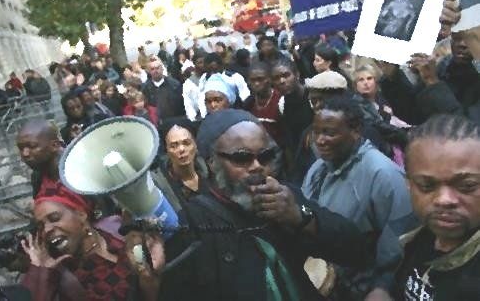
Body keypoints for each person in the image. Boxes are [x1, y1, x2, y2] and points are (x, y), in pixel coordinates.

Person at [159, 108, 374, 301]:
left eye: (266, 156)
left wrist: (300, 216)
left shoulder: (283, 198)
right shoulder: (193, 222)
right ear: (211, 162)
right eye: (242, 158)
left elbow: (356, 251)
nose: (257, 167)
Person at [302, 96, 417, 300]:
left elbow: (397, 248)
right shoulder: (319, 166)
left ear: (355, 131)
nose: (319, 140)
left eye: (329, 132)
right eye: (316, 131)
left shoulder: (384, 175)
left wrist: (379, 288)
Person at [21, 184, 163, 301]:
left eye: (54, 218)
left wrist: (148, 277)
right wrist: (40, 273)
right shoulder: (63, 278)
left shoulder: (115, 228)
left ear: (81, 215)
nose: (47, 230)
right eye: (41, 226)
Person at [393, 114, 480, 300]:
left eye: (467, 186)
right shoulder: (413, 229)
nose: (444, 199)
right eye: (426, 186)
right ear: (409, 184)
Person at [151, 118, 208, 211]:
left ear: (195, 145)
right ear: (167, 151)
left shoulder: (210, 170)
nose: (181, 149)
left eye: (186, 143)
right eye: (174, 146)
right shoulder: (160, 183)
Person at [271, 60, 314, 156]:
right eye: (276, 78)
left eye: (286, 75)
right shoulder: (282, 103)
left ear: (297, 75)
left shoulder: (312, 97)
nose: (281, 81)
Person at [243, 62, 284, 148]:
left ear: (270, 79)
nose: (256, 84)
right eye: (253, 80)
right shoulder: (248, 104)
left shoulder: (280, 101)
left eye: (260, 79)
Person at [198, 53, 250, 118]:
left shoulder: (234, 77)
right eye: (209, 70)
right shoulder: (204, 78)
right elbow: (201, 97)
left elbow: (245, 98)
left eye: (215, 70)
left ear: (221, 66)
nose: (213, 73)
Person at [142, 58, 185, 123]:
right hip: (157, 123)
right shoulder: (146, 88)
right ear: (149, 71)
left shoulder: (175, 85)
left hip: (175, 121)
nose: (155, 71)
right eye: (152, 69)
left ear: (162, 69)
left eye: (157, 68)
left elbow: (182, 105)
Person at [183, 54, 206, 121]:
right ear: (194, 64)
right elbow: (188, 104)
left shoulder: (211, 77)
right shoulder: (188, 83)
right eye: (200, 63)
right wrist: (193, 119)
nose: (203, 65)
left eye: (204, 62)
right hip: (198, 118)